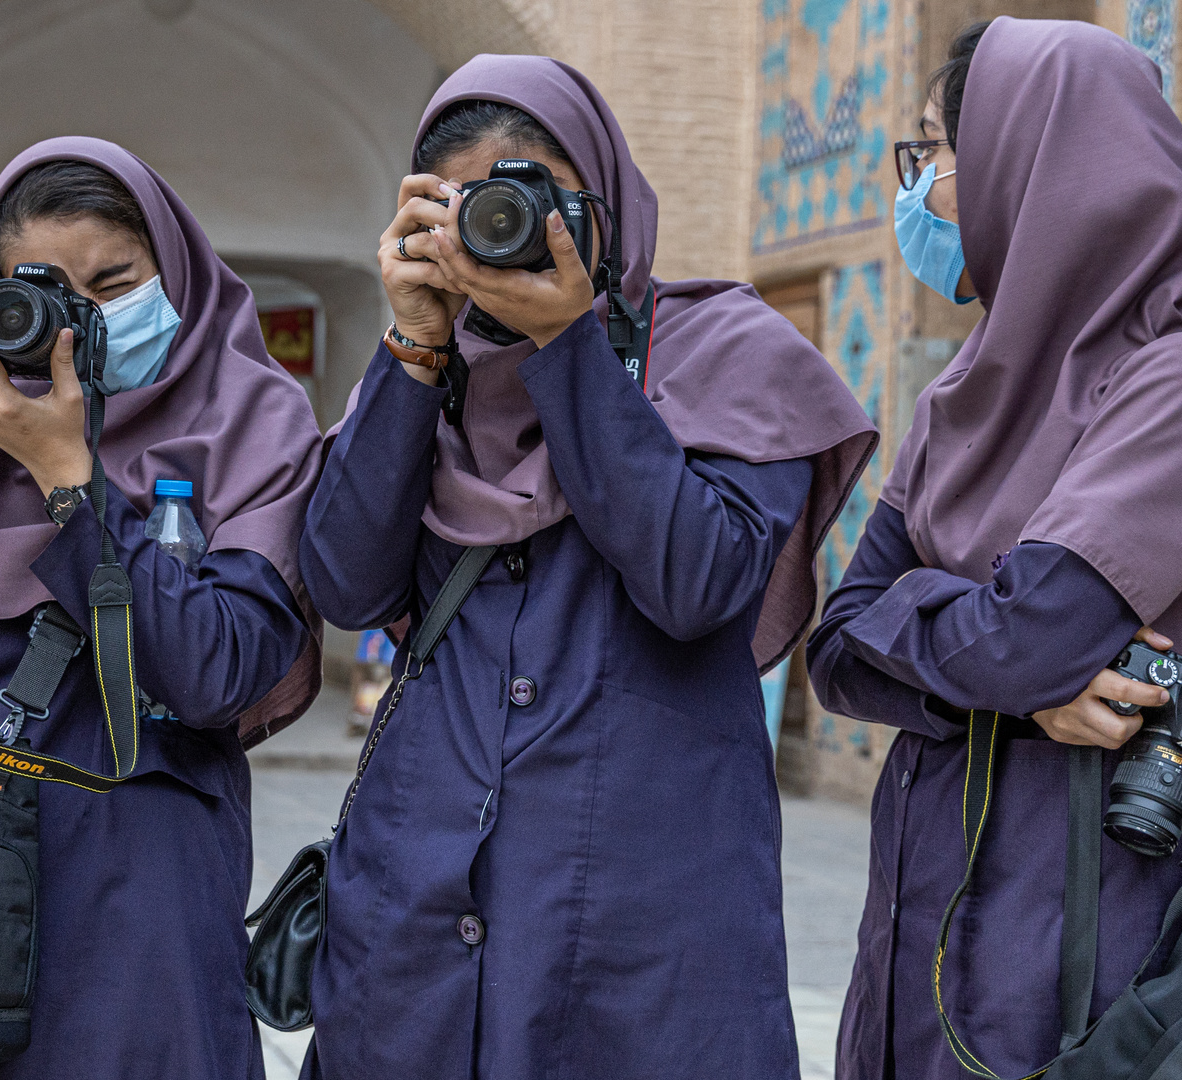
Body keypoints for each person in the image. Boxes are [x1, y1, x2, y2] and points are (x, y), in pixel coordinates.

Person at [300, 55, 878, 1079]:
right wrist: (412, 352)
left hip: (640, 933)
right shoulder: (423, 374)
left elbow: (697, 583)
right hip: (416, 918)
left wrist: (568, 345)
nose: (513, 231)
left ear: (604, 201)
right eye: (473, 206)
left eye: (542, 199)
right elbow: (345, 585)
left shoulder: (729, 354)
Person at [806, 18, 1182, 1080]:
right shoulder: (966, 391)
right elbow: (831, 650)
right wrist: (1011, 686)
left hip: (1069, 929)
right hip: (915, 926)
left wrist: (943, 633)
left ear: (1033, 161)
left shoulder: (1179, 377)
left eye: (936, 150)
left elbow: (1022, 634)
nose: (921, 187)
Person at [0, 137, 324, 1079]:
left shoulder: (256, 417)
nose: (81, 318)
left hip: (141, 867)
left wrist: (68, 479)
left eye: (113, 282)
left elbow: (212, 673)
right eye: (45, 288)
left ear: (176, 267)